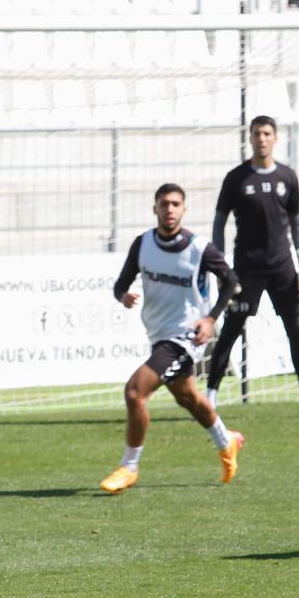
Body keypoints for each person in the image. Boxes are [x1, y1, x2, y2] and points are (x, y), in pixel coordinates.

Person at [100, 183, 241, 495]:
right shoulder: (143, 244)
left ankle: (129, 466)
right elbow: (120, 284)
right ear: (155, 209)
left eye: (176, 203)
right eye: (164, 203)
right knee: (187, 396)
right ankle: (225, 440)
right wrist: (123, 295)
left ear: (184, 209)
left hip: (186, 335)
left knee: (135, 392)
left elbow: (231, 281)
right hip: (159, 333)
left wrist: (210, 318)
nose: (170, 209)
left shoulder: (199, 248)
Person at [209, 115, 299, 420]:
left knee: (295, 330)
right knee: (230, 331)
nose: (261, 138)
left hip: (282, 268)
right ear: (249, 138)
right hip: (246, 269)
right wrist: (221, 267)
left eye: (266, 133)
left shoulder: (287, 177)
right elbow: (220, 221)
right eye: (256, 134)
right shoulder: (236, 178)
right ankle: (208, 402)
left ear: (275, 138)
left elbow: (297, 221)